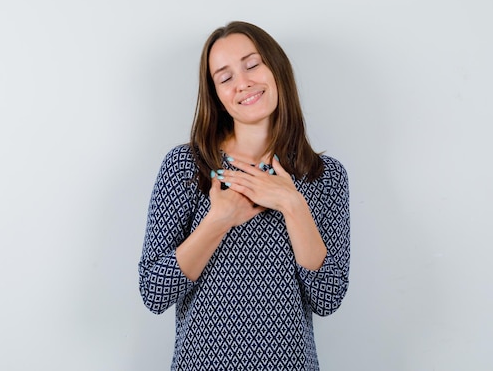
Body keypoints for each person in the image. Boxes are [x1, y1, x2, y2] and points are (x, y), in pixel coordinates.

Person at [138, 21, 350, 370]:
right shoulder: (187, 166)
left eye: (251, 65)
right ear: (217, 97)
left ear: (276, 69)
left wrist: (292, 203)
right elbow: (154, 293)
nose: (243, 82)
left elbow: (327, 298)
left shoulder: (324, 176)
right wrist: (218, 221)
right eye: (225, 77)